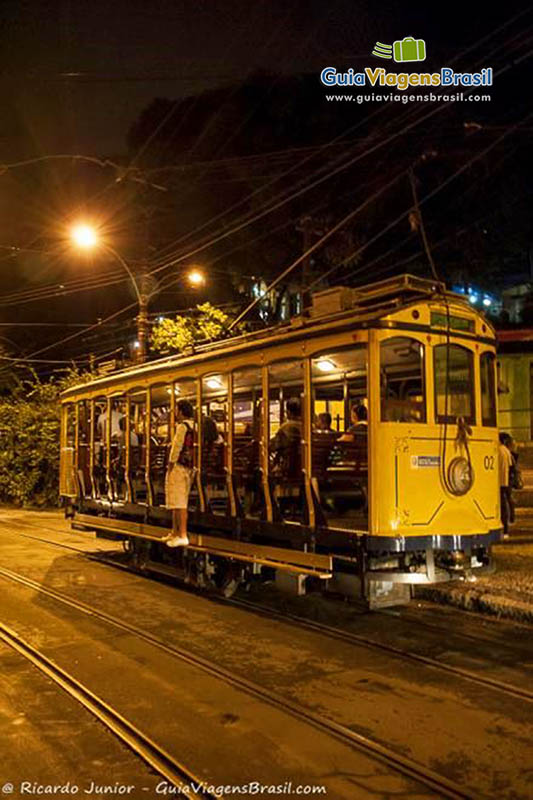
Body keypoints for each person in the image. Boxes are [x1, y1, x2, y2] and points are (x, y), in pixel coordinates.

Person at [164, 400, 195, 547]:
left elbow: (176, 447)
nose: (175, 413)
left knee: (179, 501)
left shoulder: (182, 427)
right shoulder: (195, 426)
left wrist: (170, 465)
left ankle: (182, 534)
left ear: (181, 411)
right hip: (190, 467)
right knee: (178, 500)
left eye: (176, 410)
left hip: (180, 466)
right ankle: (175, 532)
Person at [270, 397, 302, 477]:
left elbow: (274, 446)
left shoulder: (286, 427)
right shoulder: (309, 426)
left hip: (290, 465)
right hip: (307, 463)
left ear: (288, 412)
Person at [499, 432, 514, 539]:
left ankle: (504, 528)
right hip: (506, 480)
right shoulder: (506, 451)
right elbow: (510, 465)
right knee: (507, 501)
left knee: (502, 505)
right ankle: (509, 521)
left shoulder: (498, 450)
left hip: (498, 481)